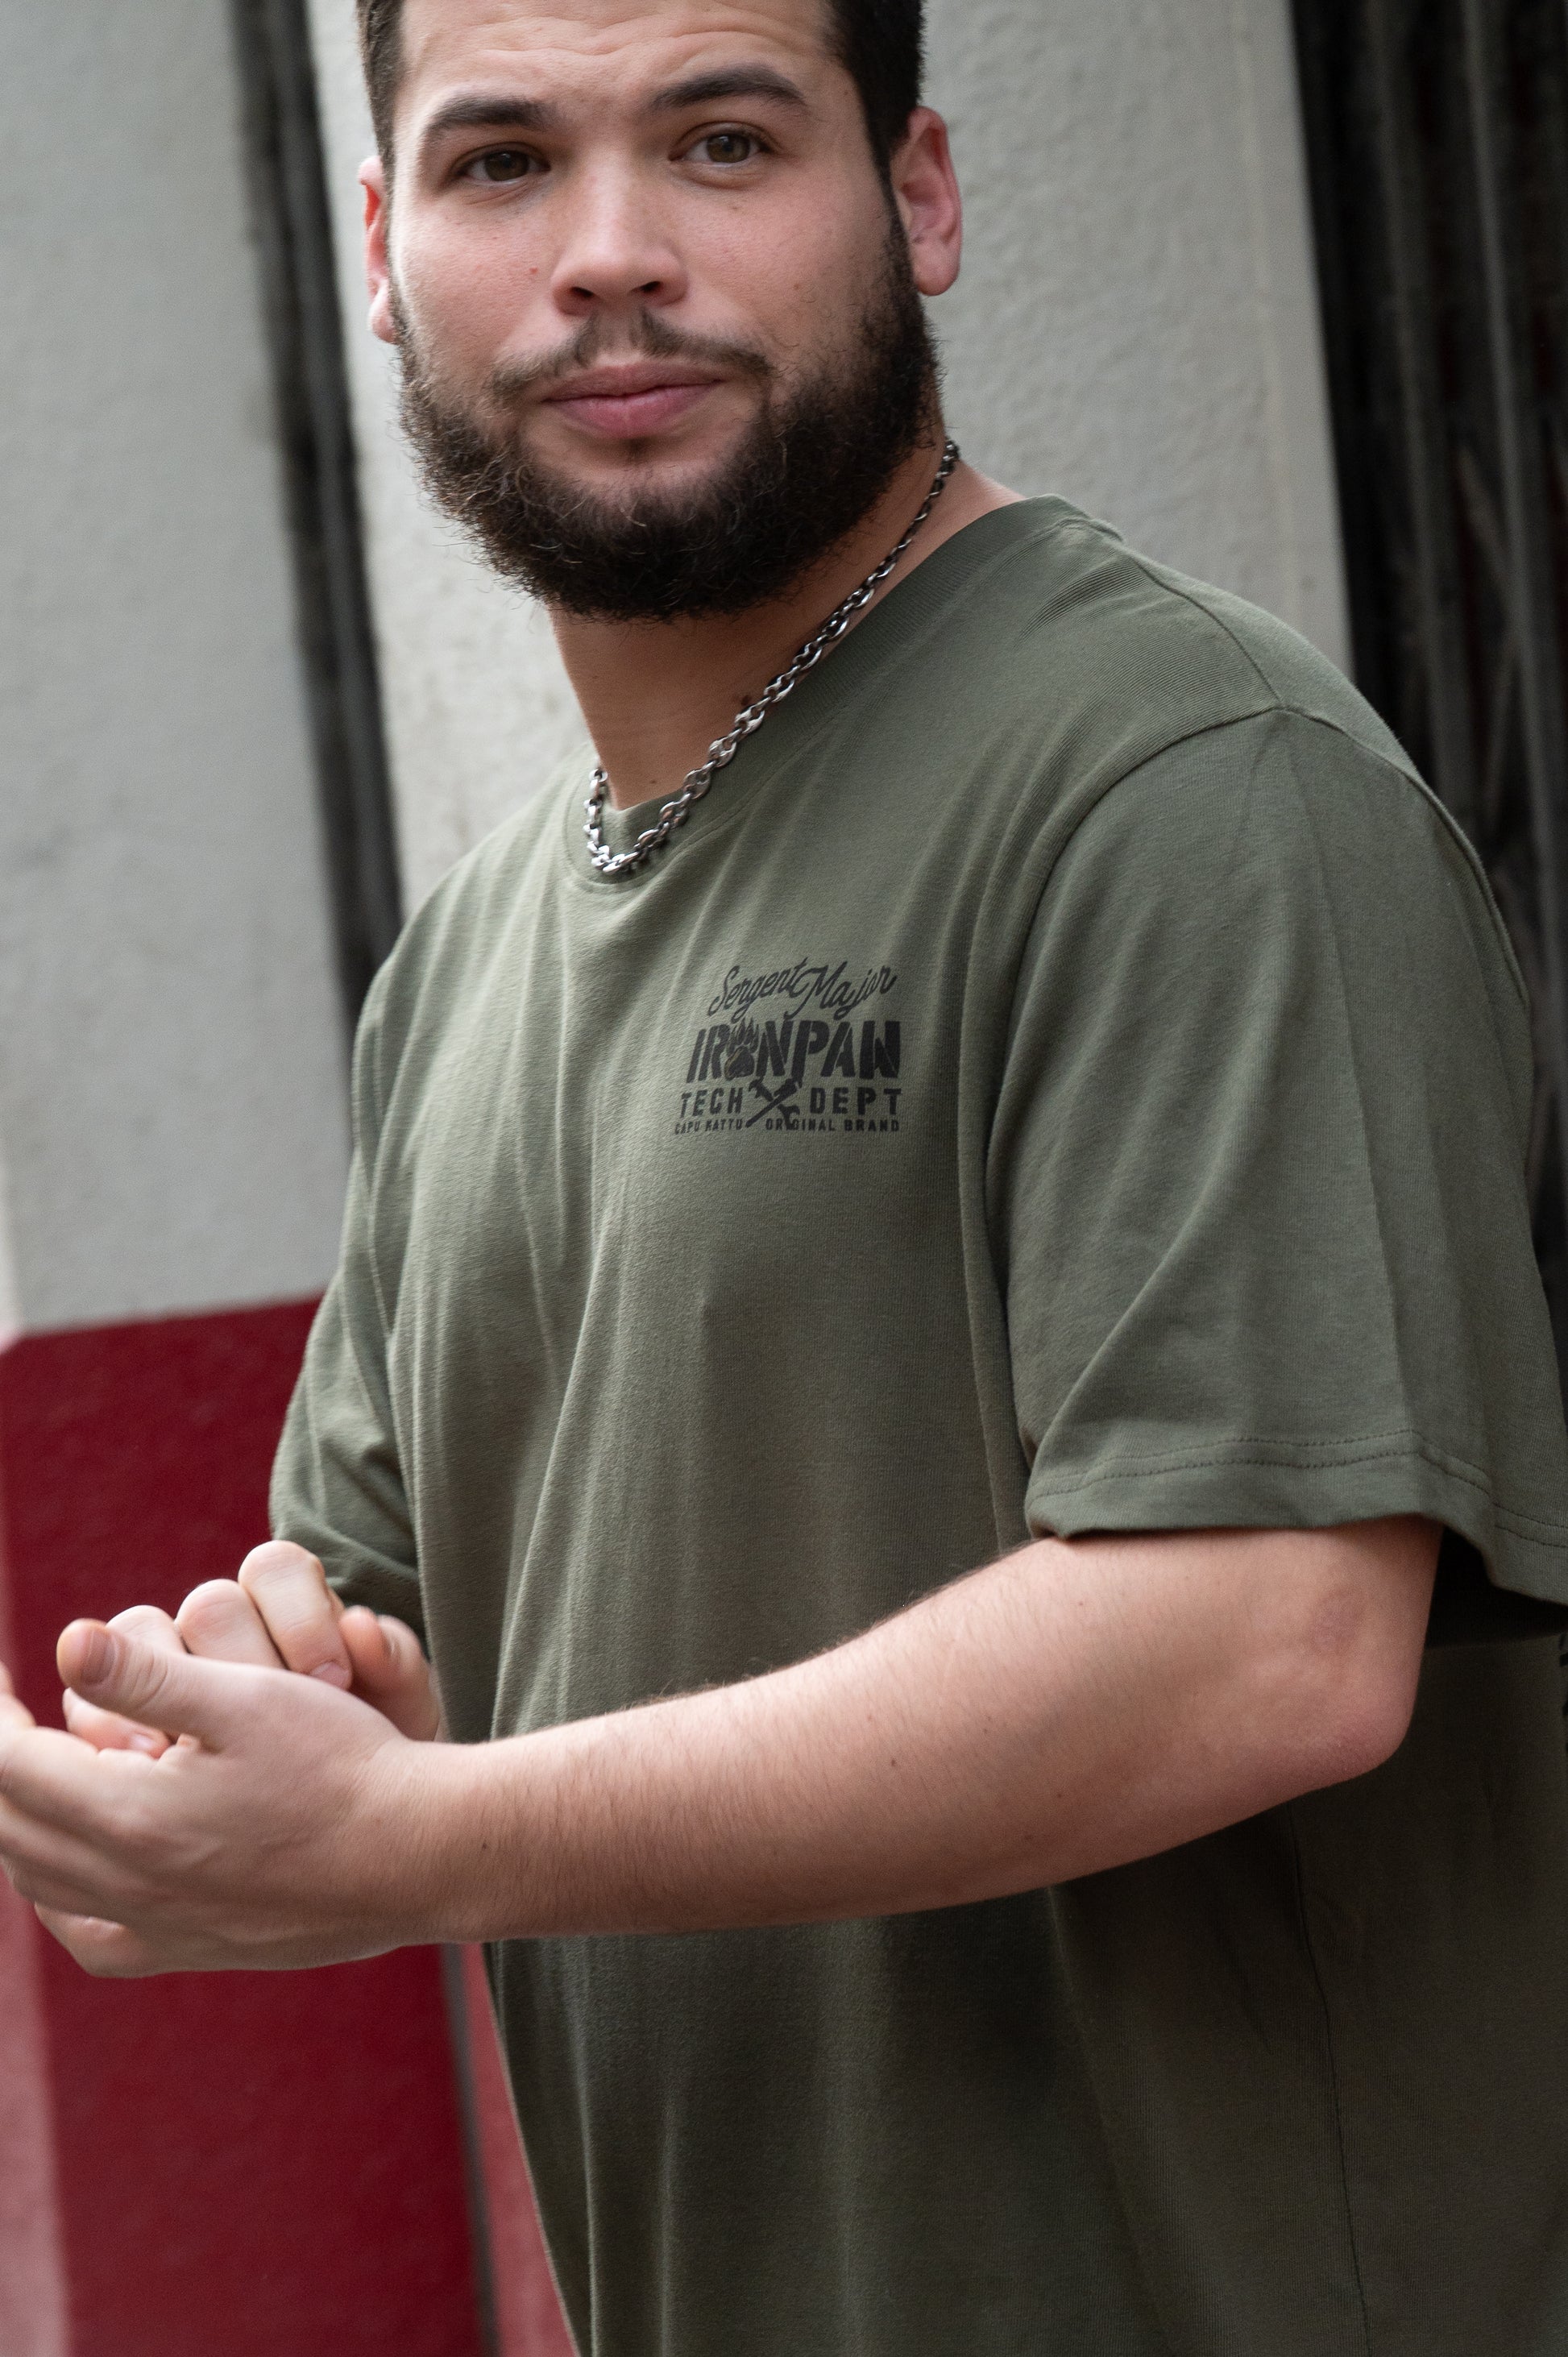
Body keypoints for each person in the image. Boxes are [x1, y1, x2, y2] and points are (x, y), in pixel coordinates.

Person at [4, 0, 1568, 2348]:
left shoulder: (1190, 790)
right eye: (503, 163)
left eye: (722, 141)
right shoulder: (465, 966)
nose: (611, 254)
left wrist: (410, 1839)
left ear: (918, 195)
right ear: (380, 250)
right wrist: (217, 1739)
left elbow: (1270, 1643)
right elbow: (404, 1669)